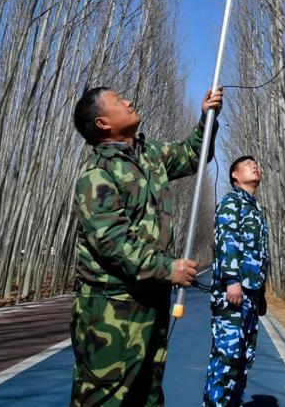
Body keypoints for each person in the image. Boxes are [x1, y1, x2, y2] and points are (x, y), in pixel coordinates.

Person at [70, 83, 224, 407]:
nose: (129, 101)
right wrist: (169, 268)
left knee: (148, 394)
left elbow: (192, 155)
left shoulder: (150, 154)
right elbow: (113, 243)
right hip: (112, 308)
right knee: (105, 398)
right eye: (117, 100)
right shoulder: (97, 174)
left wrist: (207, 118)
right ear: (102, 123)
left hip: (152, 302)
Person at [203, 154, 269, 407]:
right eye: (248, 165)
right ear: (235, 175)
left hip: (250, 295)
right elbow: (226, 242)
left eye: (256, 164)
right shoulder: (232, 203)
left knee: (243, 359)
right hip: (233, 294)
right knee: (227, 359)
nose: (255, 166)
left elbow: (260, 254)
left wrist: (260, 293)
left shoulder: (257, 209)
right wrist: (231, 280)